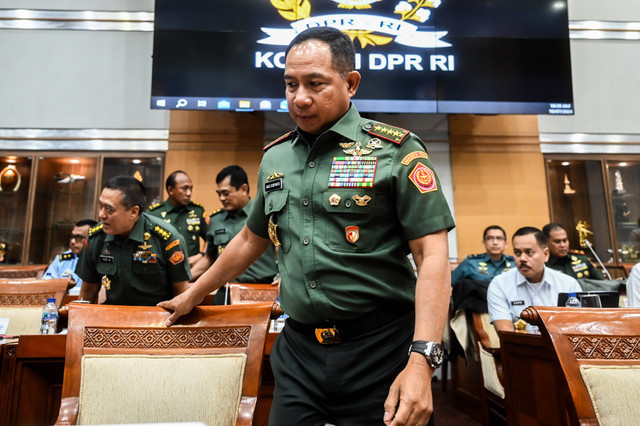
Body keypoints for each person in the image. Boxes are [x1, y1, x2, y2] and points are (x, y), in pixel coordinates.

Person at [158, 27, 454, 425]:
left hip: (381, 350)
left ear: (351, 83)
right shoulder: (276, 158)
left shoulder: (396, 152)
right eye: (290, 84)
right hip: (300, 352)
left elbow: (431, 255)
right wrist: (195, 292)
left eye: (316, 84)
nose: (300, 98)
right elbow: (250, 238)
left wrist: (422, 360)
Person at [76, 175, 192, 306]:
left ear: (133, 212)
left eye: (109, 209)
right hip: (112, 318)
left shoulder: (167, 239)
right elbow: (87, 294)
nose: (101, 215)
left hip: (157, 319)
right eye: (100, 206)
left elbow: (181, 295)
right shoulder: (95, 238)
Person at [190, 165, 278, 304]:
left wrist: (285, 276)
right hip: (224, 293)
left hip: (258, 293)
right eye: (218, 193)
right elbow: (209, 258)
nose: (221, 198)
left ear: (243, 189)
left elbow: (286, 250)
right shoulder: (216, 220)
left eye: (226, 193)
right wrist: (186, 279)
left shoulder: (265, 216)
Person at [487, 226, 582, 332]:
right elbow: (505, 333)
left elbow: (577, 329)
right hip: (519, 347)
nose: (522, 258)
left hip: (559, 347)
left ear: (545, 254)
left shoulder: (567, 284)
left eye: (529, 252)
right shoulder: (500, 284)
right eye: (517, 252)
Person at [147, 170, 208, 267]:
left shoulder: (197, 211)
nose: (189, 193)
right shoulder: (153, 214)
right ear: (170, 190)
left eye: (191, 188)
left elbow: (210, 238)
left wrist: (202, 255)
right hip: (164, 271)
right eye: (184, 189)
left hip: (192, 271)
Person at [43, 219, 98, 293]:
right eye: (72, 237)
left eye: (78, 237)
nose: (72, 241)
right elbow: (46, 285)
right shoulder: (62, 260)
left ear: (92, 239)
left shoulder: (99, 260)